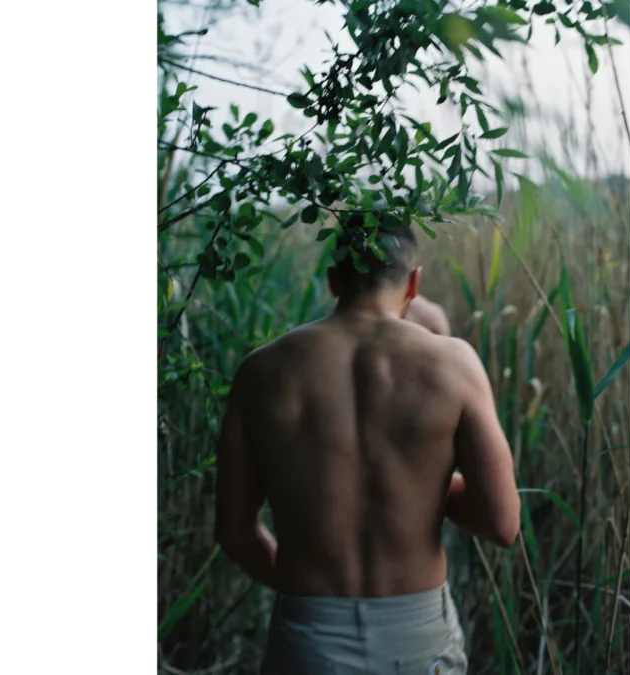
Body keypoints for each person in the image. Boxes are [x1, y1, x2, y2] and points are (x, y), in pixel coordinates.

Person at [214, 214, 520, 675]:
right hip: (418, 635)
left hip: (309, 632)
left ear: (333, 278)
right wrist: (425, 487)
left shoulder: (261, 372)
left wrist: (310, 602)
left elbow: (235, 532)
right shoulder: (454, 364)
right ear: (414, 282)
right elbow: (502, 523)